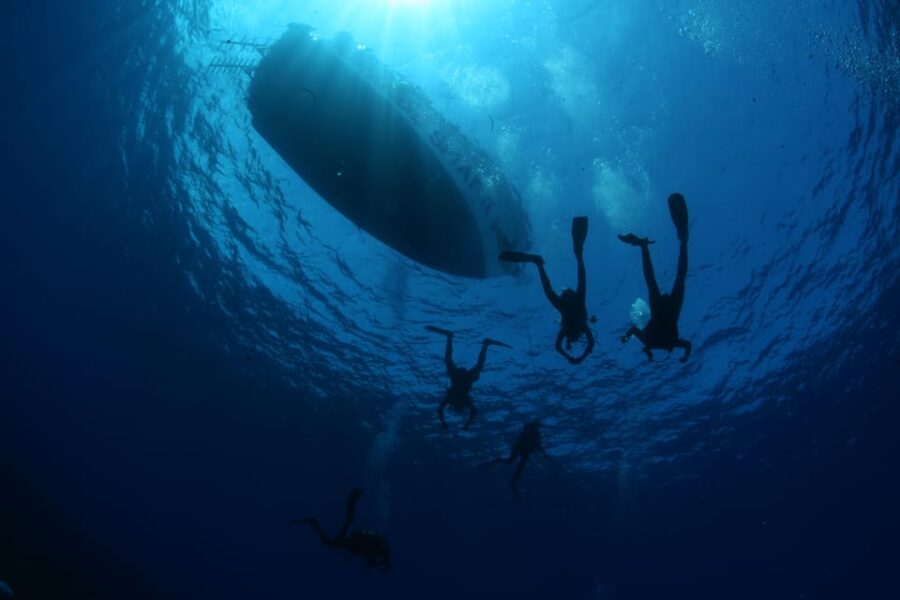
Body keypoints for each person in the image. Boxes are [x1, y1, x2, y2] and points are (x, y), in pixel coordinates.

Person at [499, 217, 595, 364]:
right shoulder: (581, 326)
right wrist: (576, 357)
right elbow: (587, 344)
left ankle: (543, 263)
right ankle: (547, 262)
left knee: (556, 290)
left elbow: (564, 346)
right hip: (574, 303)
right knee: (558, 290)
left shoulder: (574, 328)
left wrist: (574, 357)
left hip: (569, 304)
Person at [618, 193, 692, 363]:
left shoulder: (662, 342)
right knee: (653, 281)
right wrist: (626, 337)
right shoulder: (649, 342)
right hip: (666, 311)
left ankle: (681, 244)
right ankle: (648, 247)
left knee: (676, 278)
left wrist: (685, 355)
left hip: (667, 310)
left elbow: (687, 345)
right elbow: (633, 331)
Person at [288, 488, 391, 573]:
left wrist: (373, 565)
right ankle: (349, 509)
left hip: (351, 543)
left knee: (330, 542)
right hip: (351, 542)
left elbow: (371, 559)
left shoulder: (376, 552)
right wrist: (383, 565)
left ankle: (314, 522)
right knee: (333, 540)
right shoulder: (380, 550)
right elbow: (381, 559)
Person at [426, 326, 510, 430]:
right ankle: (484, 344)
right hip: (465, 379)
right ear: (461, 406)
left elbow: (440, 409)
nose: (458, 404)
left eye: (456, 406)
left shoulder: (453, 399)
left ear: (453, 405)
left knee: (451, 361)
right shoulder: (464, 401)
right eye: (459, 406)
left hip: (458, 378)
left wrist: (444, 422)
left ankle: (453, 337)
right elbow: (473, 412)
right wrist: (466, 425)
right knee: (474, 365)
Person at [478, 419, 551, 497]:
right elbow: (538, 445)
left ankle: (513, 485)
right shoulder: (530, 431)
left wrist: (545, 454)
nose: (537, 428)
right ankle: (511, 482)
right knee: (511, 462)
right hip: (520, 448)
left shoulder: (534, 433)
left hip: (524, 451)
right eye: (537, 426)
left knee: (518, 467)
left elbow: (539, 446)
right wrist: (545, 454)